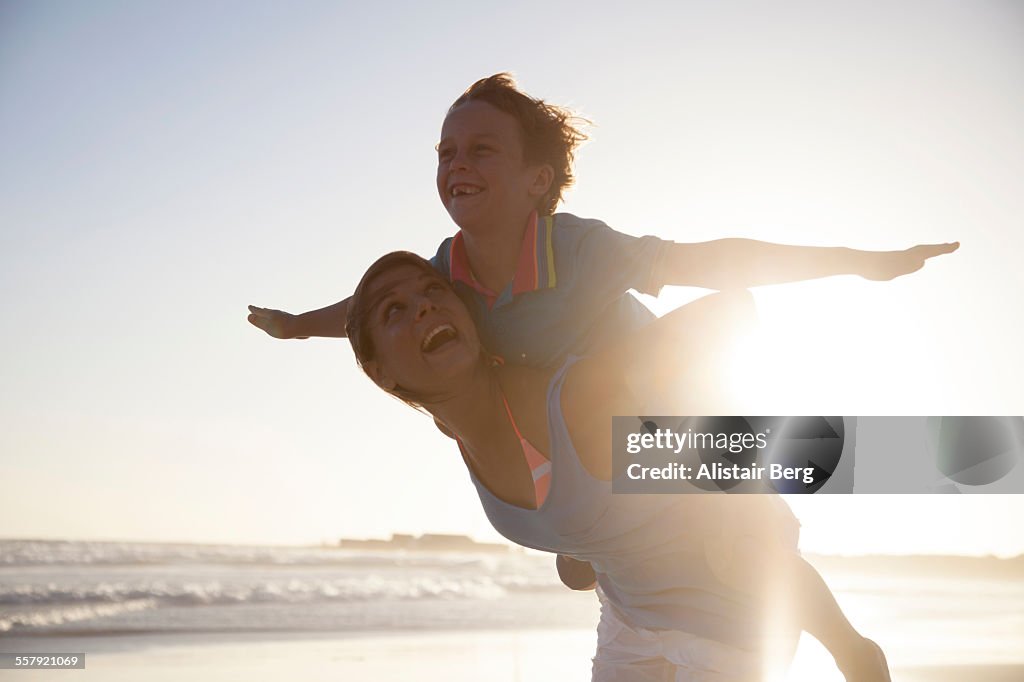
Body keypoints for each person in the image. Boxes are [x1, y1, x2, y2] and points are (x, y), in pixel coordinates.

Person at [343, 251, 890, 681]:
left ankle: (854, 652)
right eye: (397, 309)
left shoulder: (579, 401)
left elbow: (731, 313)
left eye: (434, 291)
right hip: (629, 619)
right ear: (381, 374)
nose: (424, 306)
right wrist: (582, 546)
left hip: (728, 615)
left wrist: (740, 510)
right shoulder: (457, 425)